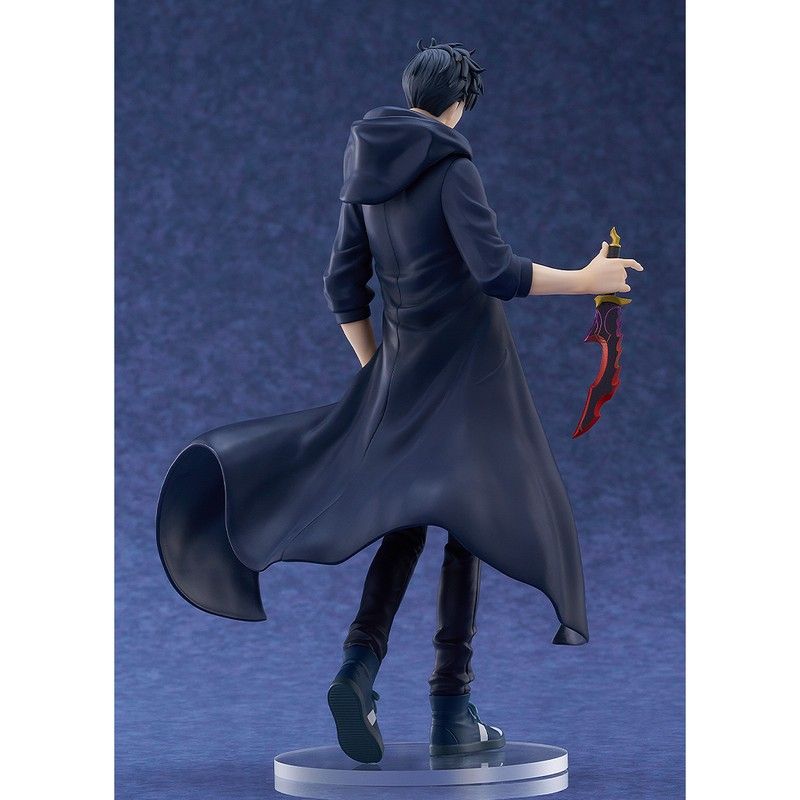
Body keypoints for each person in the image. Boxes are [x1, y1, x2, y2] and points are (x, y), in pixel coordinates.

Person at [155, 39, 644, 765]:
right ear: (459, 103)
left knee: (405, 519)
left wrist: (380, 371)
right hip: (470, 379)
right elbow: (494, 271)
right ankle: (452, 706)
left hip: (406, 374)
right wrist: (586, 278)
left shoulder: (367, 165)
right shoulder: (451, 165)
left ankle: (356, 672)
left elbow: (341, 286)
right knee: (472, 525)